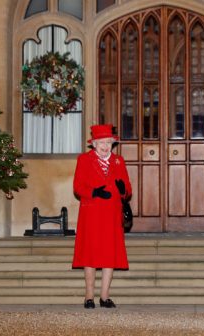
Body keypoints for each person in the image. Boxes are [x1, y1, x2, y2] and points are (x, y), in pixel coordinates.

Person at [72, 124, 131, 309]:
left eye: (109, 142)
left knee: (109, 255)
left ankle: (105, 297)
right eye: (102, 143)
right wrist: (94, 192)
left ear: (113, 144)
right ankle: (89, 296)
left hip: (112, 215)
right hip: (92, 214)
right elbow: (78, 186)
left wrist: (124, 191)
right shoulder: (84, 159)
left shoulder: (118, 161)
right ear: (94, 144)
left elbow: (127, 189)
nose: (105, 146)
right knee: (90, 254)